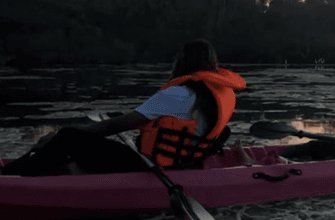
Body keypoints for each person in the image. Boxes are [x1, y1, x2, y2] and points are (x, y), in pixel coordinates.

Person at [1, 39, 247, 176]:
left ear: (182, 61)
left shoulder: (179, 93)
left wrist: (56, 138)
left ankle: (12, 177)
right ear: (212, 63)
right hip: (183, 164)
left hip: (154, 168)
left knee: (68, 136)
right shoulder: (222, 93)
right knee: (70, 140)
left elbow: (115, 125)